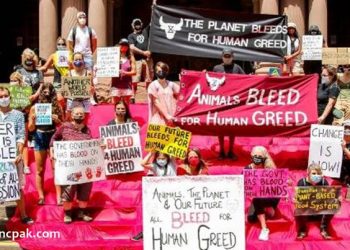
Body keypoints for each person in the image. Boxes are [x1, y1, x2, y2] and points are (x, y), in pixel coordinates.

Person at [49, 106, 93, 223]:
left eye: (82, 114)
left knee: (85, 190)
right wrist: (53, 151)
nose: (79, 115)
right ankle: (67, 214)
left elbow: (92, 145)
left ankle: (81, 212)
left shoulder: (87, 130)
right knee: (68, 189)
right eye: (77, 113)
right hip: (69, 167)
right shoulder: (64, 127)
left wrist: (99, 147)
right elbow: (54, 139)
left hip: (84, 167)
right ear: (72, 115)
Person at [0, 86, 33, 224]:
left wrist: (19, 153)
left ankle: (24, 215)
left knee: (17, 186)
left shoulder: (18, 115)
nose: (3, 99)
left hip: (13, 157)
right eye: (0, 97)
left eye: (6, 96)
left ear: (10, 97)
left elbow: (21, 136)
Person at [28, 83, 64, 205]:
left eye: (49, 90)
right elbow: (30, 129)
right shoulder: (34, 108)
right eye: (44, 90)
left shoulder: (57, 106)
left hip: (53, 136)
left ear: (52, 92)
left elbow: (63, 126)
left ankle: (59, 197)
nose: (46, 92)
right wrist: (32, 119)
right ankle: (41, 196)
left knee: (56, 169)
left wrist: (58, 120)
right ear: (41, 93)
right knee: (40, 169)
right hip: (39, 136)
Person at [132, 151, 176, 241]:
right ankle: (146, 232)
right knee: (155, 215)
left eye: (163, 158)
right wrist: (151, 153)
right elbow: (142, 163)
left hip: (173, 194)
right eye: (159, 159)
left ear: (167, 159)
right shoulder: (155, 167)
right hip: (160, 195)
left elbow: (175, 152)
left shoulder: (172, 164)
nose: (161, 160)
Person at [213, 48, 244, 160]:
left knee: (232, 128)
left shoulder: (237, 68)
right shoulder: (216, 68)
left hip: (233, 103)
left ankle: (230, 151)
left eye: (228, 56)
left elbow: (246, 80)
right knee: (220, 128)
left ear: (232, 57)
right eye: (225, 56)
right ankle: (221, 151)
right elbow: (210, 83)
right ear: (222, 57)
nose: (227, 58)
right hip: (220, 103)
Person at [295, 163, 337, 240]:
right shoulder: (302, 183)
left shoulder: (324, 182)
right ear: (308, 173)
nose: (316, 175)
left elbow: (329, 198)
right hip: (306, 213)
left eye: (318, 173)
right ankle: (302, 229)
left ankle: (324, 228)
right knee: (299, 205)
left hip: (319, 211)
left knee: (334, 202)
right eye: (314, 173)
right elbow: (297, 200)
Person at [246, 146, 279, 241]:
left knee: (257, 199)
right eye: (255, 155)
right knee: (251, 219)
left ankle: (264, 229)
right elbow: (241, 184)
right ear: (251, 156)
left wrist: (285, 182)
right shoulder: (248, 169)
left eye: (259, 156)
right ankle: (265, 208)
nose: (257, 157)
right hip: (257, 196)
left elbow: (278, 186)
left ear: (264, 157)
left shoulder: (270, 168)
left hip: (271, 196)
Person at [39, 37, 70, 110]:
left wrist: (71, 64)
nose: (61, 46)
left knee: (68, 103)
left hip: (68, 81)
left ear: (66, 45)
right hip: (57, 81)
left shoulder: (70, 55)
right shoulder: (53, 56)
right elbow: (45, 67)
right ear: (56, 46)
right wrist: (34, 70)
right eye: (59, 44)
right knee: (59, 100)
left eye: (63, 44)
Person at [128, 18, 153, 102]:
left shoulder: (145, 31)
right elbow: (132, 47)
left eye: (139, 24)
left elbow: (152, 21)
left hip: (147, 60)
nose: (137, 25)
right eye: (136, 24)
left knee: (148, 78)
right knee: (135, 79)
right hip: (137, 60)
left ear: (141, 24)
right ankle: (132, 96)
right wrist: (143, 52)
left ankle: (149, 97)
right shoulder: (131, 36)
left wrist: (154, 8)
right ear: (132, 25)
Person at [65, 52, 92, 120]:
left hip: (85, 102)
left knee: (85, 121)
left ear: (83, 61)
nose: (78, 61)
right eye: (76, 59)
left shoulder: (88, 73)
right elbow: (66, 88)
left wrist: (91, 90)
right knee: (72, 121)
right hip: (72, 102)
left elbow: (91, 88)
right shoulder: (68, 73)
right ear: (73, 61)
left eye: (80, 59)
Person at [110, 38, 136, 104]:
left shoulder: (130, 58)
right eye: (122, 45)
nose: (123, 46)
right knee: (115, 105)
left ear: (128, 47)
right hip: (115, 84)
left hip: (126, 85)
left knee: (126, 105)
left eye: (125, 45)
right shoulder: (113, 56)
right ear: (119, 46)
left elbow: (134, 72)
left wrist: (125, 73)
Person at [341, 119, 350, 186]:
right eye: (345, 127)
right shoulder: (337, 140)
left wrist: (344, 148)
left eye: (349, 127)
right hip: (339, 171)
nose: (347, 129)